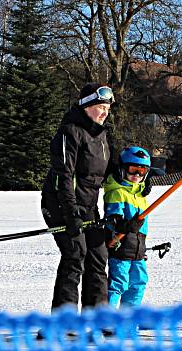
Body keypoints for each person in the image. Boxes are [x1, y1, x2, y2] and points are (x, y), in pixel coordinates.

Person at [41, 83, 115, 311]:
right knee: (75, 255)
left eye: (107, 108)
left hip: (88, 205)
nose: (104, 112)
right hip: (60, 204)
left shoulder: (102, 135)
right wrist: (70, 213)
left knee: (98, 255)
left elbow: (114, 170)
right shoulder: (70, 131)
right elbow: (63, 175)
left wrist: (141, 179)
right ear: (86, 106)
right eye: (101, 107)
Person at [103, 146, 154, 308]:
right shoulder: (117, 192)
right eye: (133, 170)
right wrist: (124, 225)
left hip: (138, 248)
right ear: (122, 169)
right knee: (118, 283)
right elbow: (112, 220)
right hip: (120, 247)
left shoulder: (140, 196)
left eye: (141, 171)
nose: (137, 175)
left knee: (138, 283)